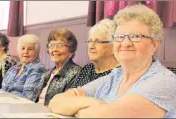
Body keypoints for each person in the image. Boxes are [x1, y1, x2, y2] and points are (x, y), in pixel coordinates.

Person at [48, 5, 176, 118]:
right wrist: (94, 103)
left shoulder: (165, 82)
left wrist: (77, 109)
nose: (125, 43)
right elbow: (56, 102)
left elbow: (106, 116)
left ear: (154, 44)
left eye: (136, 37)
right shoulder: (114, 77)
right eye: (120, 37)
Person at [31, 28, 81, 106]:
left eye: (60, 45)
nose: (54, 49)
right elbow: (34, 98)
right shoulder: (47, 73)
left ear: (71, 51)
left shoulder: (77, 73)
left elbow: (67, 104)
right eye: (51, 45)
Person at [67, 19, 119, 89]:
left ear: (114, 46)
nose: (91, 46)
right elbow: (69, 95)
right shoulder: (87, 69)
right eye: (90, 41)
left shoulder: (120, 73)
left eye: (97, 41)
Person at [2, 34, 46, 100]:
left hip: (20, 107)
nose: (26, 52)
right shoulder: (13, 69)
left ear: (37, 52)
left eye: (30, 49)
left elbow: (28, 97)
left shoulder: (37, 69)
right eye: (23, 48)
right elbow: (2, 90)